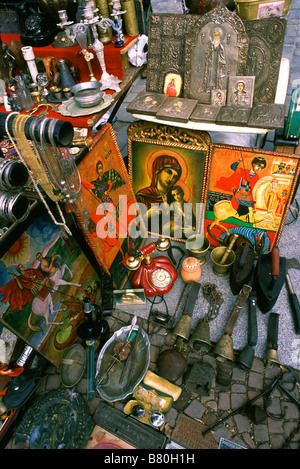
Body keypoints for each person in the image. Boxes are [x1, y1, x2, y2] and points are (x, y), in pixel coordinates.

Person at [135, 154, 182, 234]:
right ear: (157, 171)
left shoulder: (174, 199)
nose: (171, 179)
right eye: (168, 172)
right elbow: (133, 226)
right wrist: (147, 216)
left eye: (175, 177)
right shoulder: (143, 196)